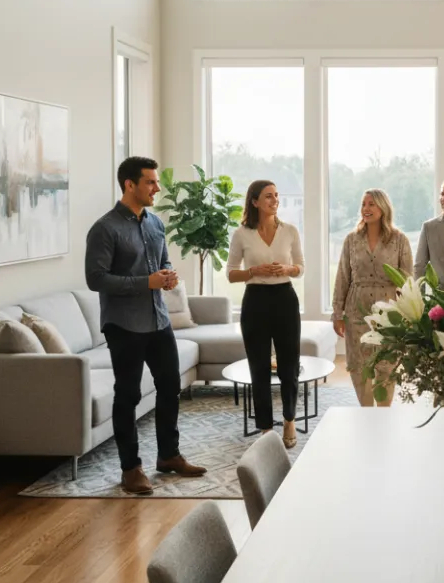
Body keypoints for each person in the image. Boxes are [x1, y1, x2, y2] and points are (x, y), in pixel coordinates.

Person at [85, 156, 207, 495]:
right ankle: (131, 468)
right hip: (123, 324)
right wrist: (146, 282)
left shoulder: (155, 223)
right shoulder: (105, 228)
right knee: (129, 394)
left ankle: (169, 455)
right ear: (130, 185)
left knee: (170, 387)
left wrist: (166, 277)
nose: (157, 188)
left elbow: (162, 261)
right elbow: (95, 279)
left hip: (158, 319)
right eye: (151, 182)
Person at [226, 180, 305, 448]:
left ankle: (289, 419)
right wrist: (254, 272)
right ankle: (265, 429)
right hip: (255, 302)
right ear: (255, 201)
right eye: (268, 196)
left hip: (285, 299)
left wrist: (287, 269)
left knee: (289, 366)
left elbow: (300, 267)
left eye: (277, 195)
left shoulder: (290, 231)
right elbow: (231, 273)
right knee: (258, 368)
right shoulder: (241, 234)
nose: (275, 200)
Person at [332, 189, 414, 406]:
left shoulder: (399, 240)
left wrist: (407, 314)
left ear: (383, 208)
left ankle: (384, 412)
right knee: (359, 365)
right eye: (363, 204)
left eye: (371, 204)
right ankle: (366, 411)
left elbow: (407, 280)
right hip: (356, 309)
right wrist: (337, 313)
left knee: (386, 364)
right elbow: (342, 277)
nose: (366, 209)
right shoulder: (351, 240)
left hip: (389, 311)